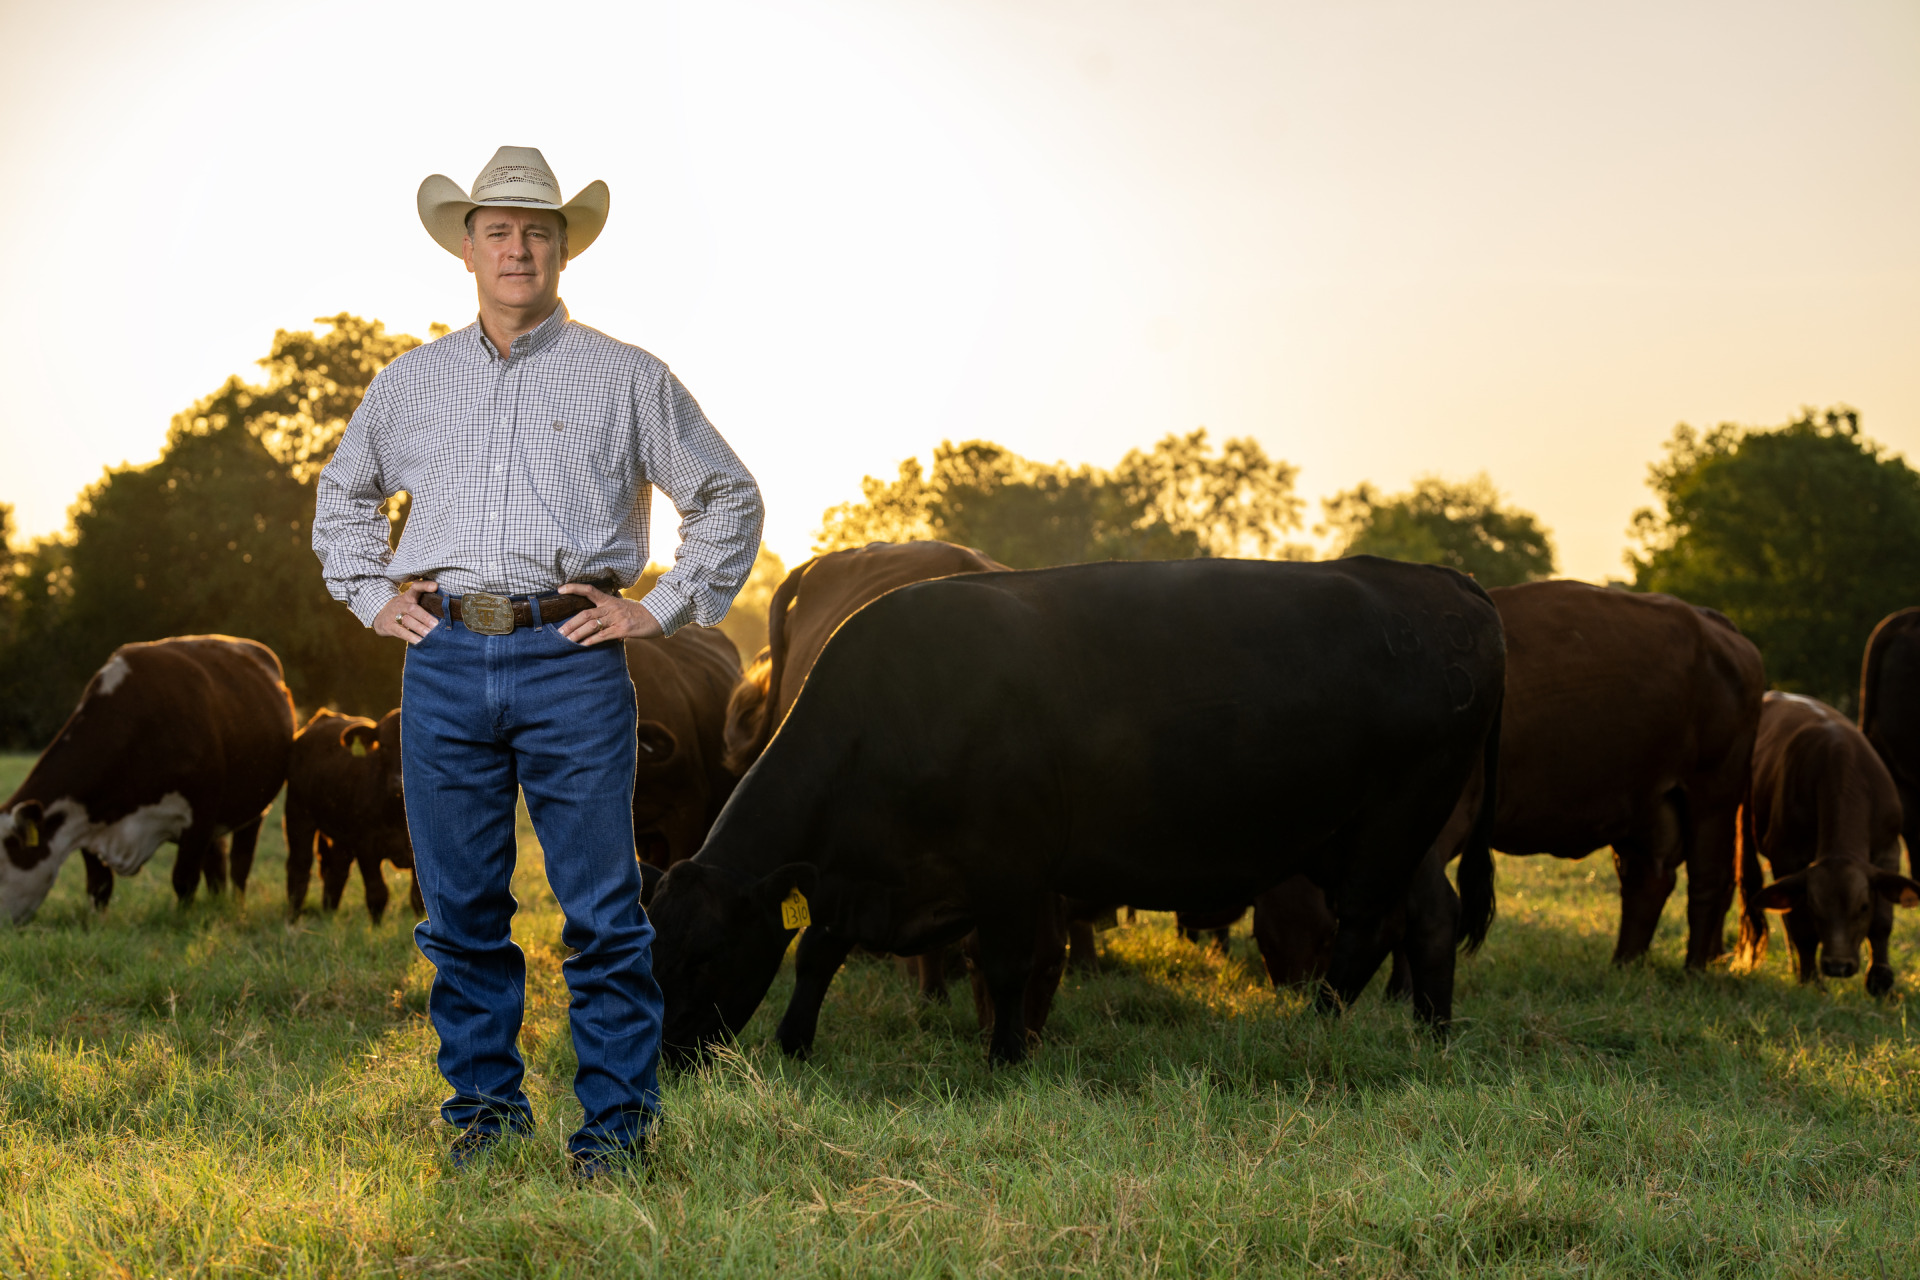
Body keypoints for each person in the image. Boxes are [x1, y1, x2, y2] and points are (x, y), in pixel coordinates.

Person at [312, 145, 764, 1177]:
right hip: (442, 659)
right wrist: (373, 594)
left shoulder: (628, 375)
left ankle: (615, 1132)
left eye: (538, 232)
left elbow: (728, 495)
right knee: (462, 910)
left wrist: (665, 609)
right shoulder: (409, 382)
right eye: (499, 231)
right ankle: (484, 1119)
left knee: (604, 909)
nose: (519, 248)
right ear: (466, 249)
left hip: (572, 657)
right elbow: (341, 498)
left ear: (565, 249)